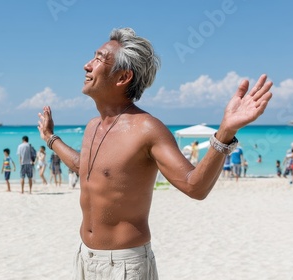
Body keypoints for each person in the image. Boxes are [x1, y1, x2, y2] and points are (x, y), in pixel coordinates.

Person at [37, 27, 272, 279]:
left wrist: (225, 132)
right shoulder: (93, 126)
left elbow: (196, 187)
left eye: (99, 59)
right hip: (84, 258)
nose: (87, 65)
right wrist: (51, 138)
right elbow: (83, 166)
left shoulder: (147, 129)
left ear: (123, 77)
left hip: (124, 266)